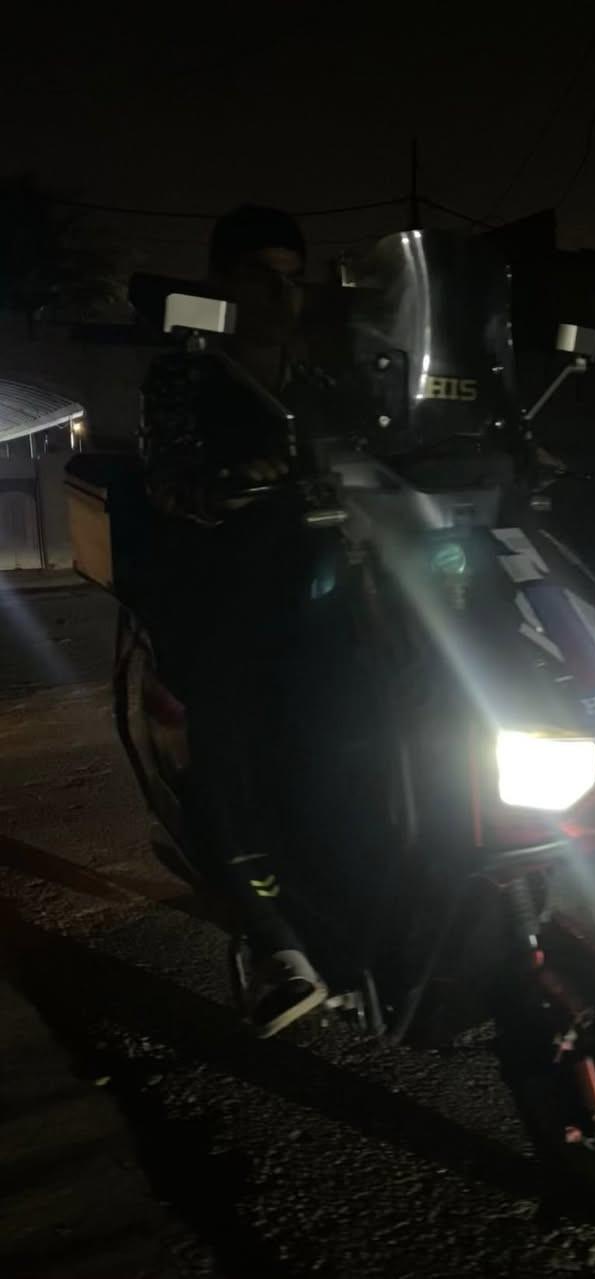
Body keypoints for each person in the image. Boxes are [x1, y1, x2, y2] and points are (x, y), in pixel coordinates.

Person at [139, 206, 334, 1037]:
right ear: (220, 283)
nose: (283, 294)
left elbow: (393, 446)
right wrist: (227, 481)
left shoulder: (323, 374)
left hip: (335, 575)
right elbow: (168, 476)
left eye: (294, 277)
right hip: (232, 580)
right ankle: (270, 938)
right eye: (262, 275)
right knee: (232, 724)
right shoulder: (186, 371)